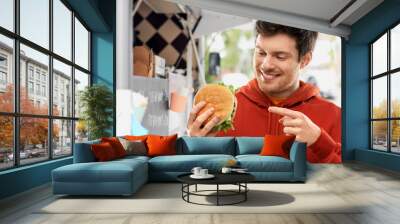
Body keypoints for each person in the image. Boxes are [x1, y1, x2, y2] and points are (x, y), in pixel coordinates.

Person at [187, 21, 341, 163]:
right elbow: (204, 174)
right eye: (261, 53)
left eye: (280, 56)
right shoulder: (222, 113)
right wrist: (194, 146)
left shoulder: (335, 116)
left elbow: (352, 181)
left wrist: (320, 142)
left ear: (305, 60)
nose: (266, 65)